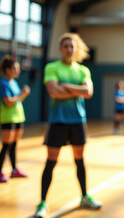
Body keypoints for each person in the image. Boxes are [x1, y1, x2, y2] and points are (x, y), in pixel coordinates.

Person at [34, 33, 101, 218]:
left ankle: (84, 196)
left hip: (78, 121)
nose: (69, 49)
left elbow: (88, 92)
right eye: (66, 46)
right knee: (50, 162)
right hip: (57, 121)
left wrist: (66, 86)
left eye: (72, 46)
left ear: (76, 49)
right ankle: (42, 203)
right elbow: (54, 93)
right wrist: (76, 89)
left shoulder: (82, 70)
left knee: (79, 160)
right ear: (60, 48)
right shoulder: (52, 67)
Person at [0, 55, 31, 183]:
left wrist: (23, 94)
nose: (18, 71)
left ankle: (14, 170)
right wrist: (21, 94)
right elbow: (8, 102)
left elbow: (18, 101)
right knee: (6, 146)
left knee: (14, 145)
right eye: (15, 68)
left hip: (19, 117)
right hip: (8, 119)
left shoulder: (14, 82)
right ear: (7, 70)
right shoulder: (3, 83)